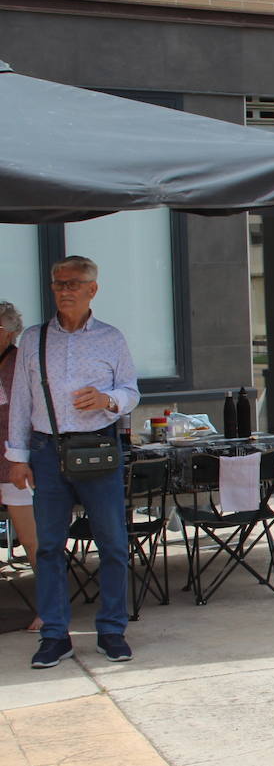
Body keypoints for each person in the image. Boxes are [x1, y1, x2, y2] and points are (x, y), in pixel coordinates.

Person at [6, 257, 139, 668]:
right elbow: (22, 402)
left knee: (113, 543)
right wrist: (16, 456)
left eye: (74, 283)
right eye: (58, 283)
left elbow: (131, 390)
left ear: (92, 289)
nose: (64, 290)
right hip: (47, 451)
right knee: (48, 547)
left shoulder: (111, 338)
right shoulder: (34, 338)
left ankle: (112, 629)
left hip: (98, 447)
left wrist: (108, 400)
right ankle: (55, 635)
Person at [0, 302, 40, 631]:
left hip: (15, 463)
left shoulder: (20, 364)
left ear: (11, 333)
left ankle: (50, 609)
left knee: (32, 540)